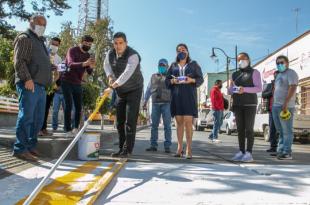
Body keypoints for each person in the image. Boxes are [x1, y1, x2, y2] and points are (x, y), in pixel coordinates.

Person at [12, 15, 52, 161]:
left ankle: (30, 146)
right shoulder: (25, 38)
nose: (42, 27)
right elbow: (19, 61)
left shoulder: (40, 41)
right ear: (31, 23)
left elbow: (41, 63)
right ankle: (20, 148)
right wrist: (27, 78)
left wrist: (53, 67)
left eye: (45, 25)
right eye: (40, 23)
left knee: (37, 119)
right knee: (27, 116)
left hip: (40, 86)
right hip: (29, 83)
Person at [104, 32, 144, 157]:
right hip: (121, 91)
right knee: (120, 121)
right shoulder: (110, 54)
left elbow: (127, 74)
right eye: (116, 43)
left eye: (121, 43)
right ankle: (121, 148)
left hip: (134, 89)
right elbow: (106, 65)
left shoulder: (133, 55)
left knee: (130, 121)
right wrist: (110, 76)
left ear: (126, 43)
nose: (118, 46)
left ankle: (127, 150)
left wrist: (112, 86)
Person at [166, 43, 204, 159]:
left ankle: (189, 148)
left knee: (188, 122)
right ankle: (179, 148)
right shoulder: (173, 65)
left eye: (183, 49)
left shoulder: (194, 64)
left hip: (189, 97)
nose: (181, 51)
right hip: (176, 97)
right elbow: (167, 81)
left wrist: (191, 79)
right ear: (176, 53)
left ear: (187, 51)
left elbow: (200, 79)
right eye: (179, 50)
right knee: (179, 123)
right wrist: (173, 81)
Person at [229, 52, 262, 162]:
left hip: (250, 104)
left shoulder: (254, 72)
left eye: (243, 59)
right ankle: (241, 151)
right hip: (237, 104)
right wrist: (235, 89)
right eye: (238, 60)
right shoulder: (234, 74)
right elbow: (229, 90)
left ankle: (249, 153)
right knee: (240, 130)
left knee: (249, 129)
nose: (240, 61)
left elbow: (258, 88)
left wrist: (245, 89)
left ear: (248, 59)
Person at [61, 35, 95, 136]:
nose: (87, 45)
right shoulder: (72, 50)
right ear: (81, 42)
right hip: (66, 80)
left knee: (78, 106)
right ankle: (67, 130)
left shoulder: (88, 55)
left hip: (77, 83)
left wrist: (92, 66)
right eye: (86, 43)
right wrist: (84, 63)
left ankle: (75, 128)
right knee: (68, 105)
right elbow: (70, 64)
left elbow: (89, 71)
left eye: (89, 44)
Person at [272, 55, 298, 160]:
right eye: (277, 63)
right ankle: (280, 150)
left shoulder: (291, 73)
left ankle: (287, 152)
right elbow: (276, 88)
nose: (279, 65)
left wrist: (286, 103)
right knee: (280, 130)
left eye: (281, 62)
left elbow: (293, 87)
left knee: (287, 130)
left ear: (287, 62)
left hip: (286, 107)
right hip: (276, 106)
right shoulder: (278, 75)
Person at [143, 59, 172, 153]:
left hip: (167, 104)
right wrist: (145, 101)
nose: (161, 66)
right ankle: (153, 145)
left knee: (167, 126)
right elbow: (148, 89)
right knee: (154, 126)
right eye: (160, 65)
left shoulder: (170, 77)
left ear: (167, 66)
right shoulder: (153, 76)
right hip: (155, 104)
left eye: (163, 65)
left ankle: (167, 146)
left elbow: (175, 91)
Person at [39, 37, 62, 136]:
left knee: (46, 107)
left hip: (51, 86)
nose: (54, 46)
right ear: (49, 43)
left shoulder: (59, 59)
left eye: (56, 45)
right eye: (53, 44)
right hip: (40, 84)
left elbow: (59, 73)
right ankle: (36, 128)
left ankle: (43, 128)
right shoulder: (43, 54)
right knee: (39, 106)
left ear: (59, 46)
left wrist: (55, 83)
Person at [262, 71, 279, 153]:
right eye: (275, 75)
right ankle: (273, 147)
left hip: (282, 109)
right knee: (272, 129)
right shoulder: (270, 85)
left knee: (282, 129)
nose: (277, 77)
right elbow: (263, 94)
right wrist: (271, 92)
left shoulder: (284, 84)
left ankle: (282, 147)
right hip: (272, 110)